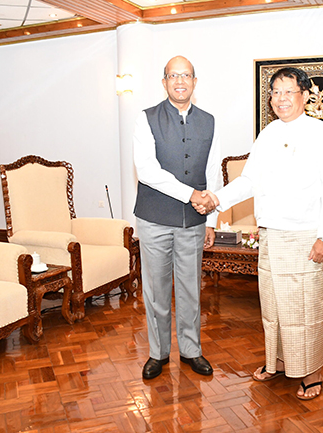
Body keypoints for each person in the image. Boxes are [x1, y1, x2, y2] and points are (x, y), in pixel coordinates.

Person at [195, 67, 323, 400]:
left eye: (289, 91)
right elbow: (249, 181)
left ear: (305, 95)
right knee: (273, 307)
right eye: (275, 92)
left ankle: (312, 372)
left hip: (305, 236)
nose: (281, 98)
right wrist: (217, 200)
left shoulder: (321, 134)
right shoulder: (268, 134)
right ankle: (276, 363)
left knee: (305, 309)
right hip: (270, 235)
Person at [133, 55, 221, 380]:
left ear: (195, 82)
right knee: (156, 291)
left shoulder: (210, 121)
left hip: (195, 221)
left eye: (186, 75)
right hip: (154, 219)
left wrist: (211, 220)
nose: (180, 81)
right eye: (173, 75)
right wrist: (190, 194)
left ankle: (191, 350)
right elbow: (146, 171)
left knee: (189, 290)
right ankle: (158, 353)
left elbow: (213, 173)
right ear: (164, 82)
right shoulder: (146, 119)